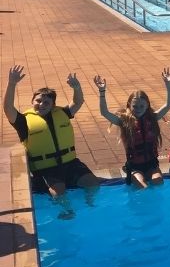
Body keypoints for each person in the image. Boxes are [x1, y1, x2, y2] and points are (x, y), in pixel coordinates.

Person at [4, 65, 100, 197]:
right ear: (32, 101)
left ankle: (90, 206)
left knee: (93, 184)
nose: (41, 104)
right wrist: (12, 84)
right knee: (58, 193)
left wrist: (77, 88)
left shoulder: (62, 113)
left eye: (46, 103)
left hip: (70, 163)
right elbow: (8, 108)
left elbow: (78, 102)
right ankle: (66, 212)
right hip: (45, 168)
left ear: (53, 105)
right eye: (38, 101)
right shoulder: (23, 122)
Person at [94, 68, 170, 188]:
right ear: (129, 106)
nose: (138, 108)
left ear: (147, 105)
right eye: (135, 106)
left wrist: (168, 84)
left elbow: (168, 105)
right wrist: (102, 91)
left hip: (152, 164)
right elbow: (104, 112)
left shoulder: (152, 118)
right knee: (142, 186)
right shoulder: (124, 121)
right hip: (135, 166)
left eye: (142, 105)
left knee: (158, 182)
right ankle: (130, 174)